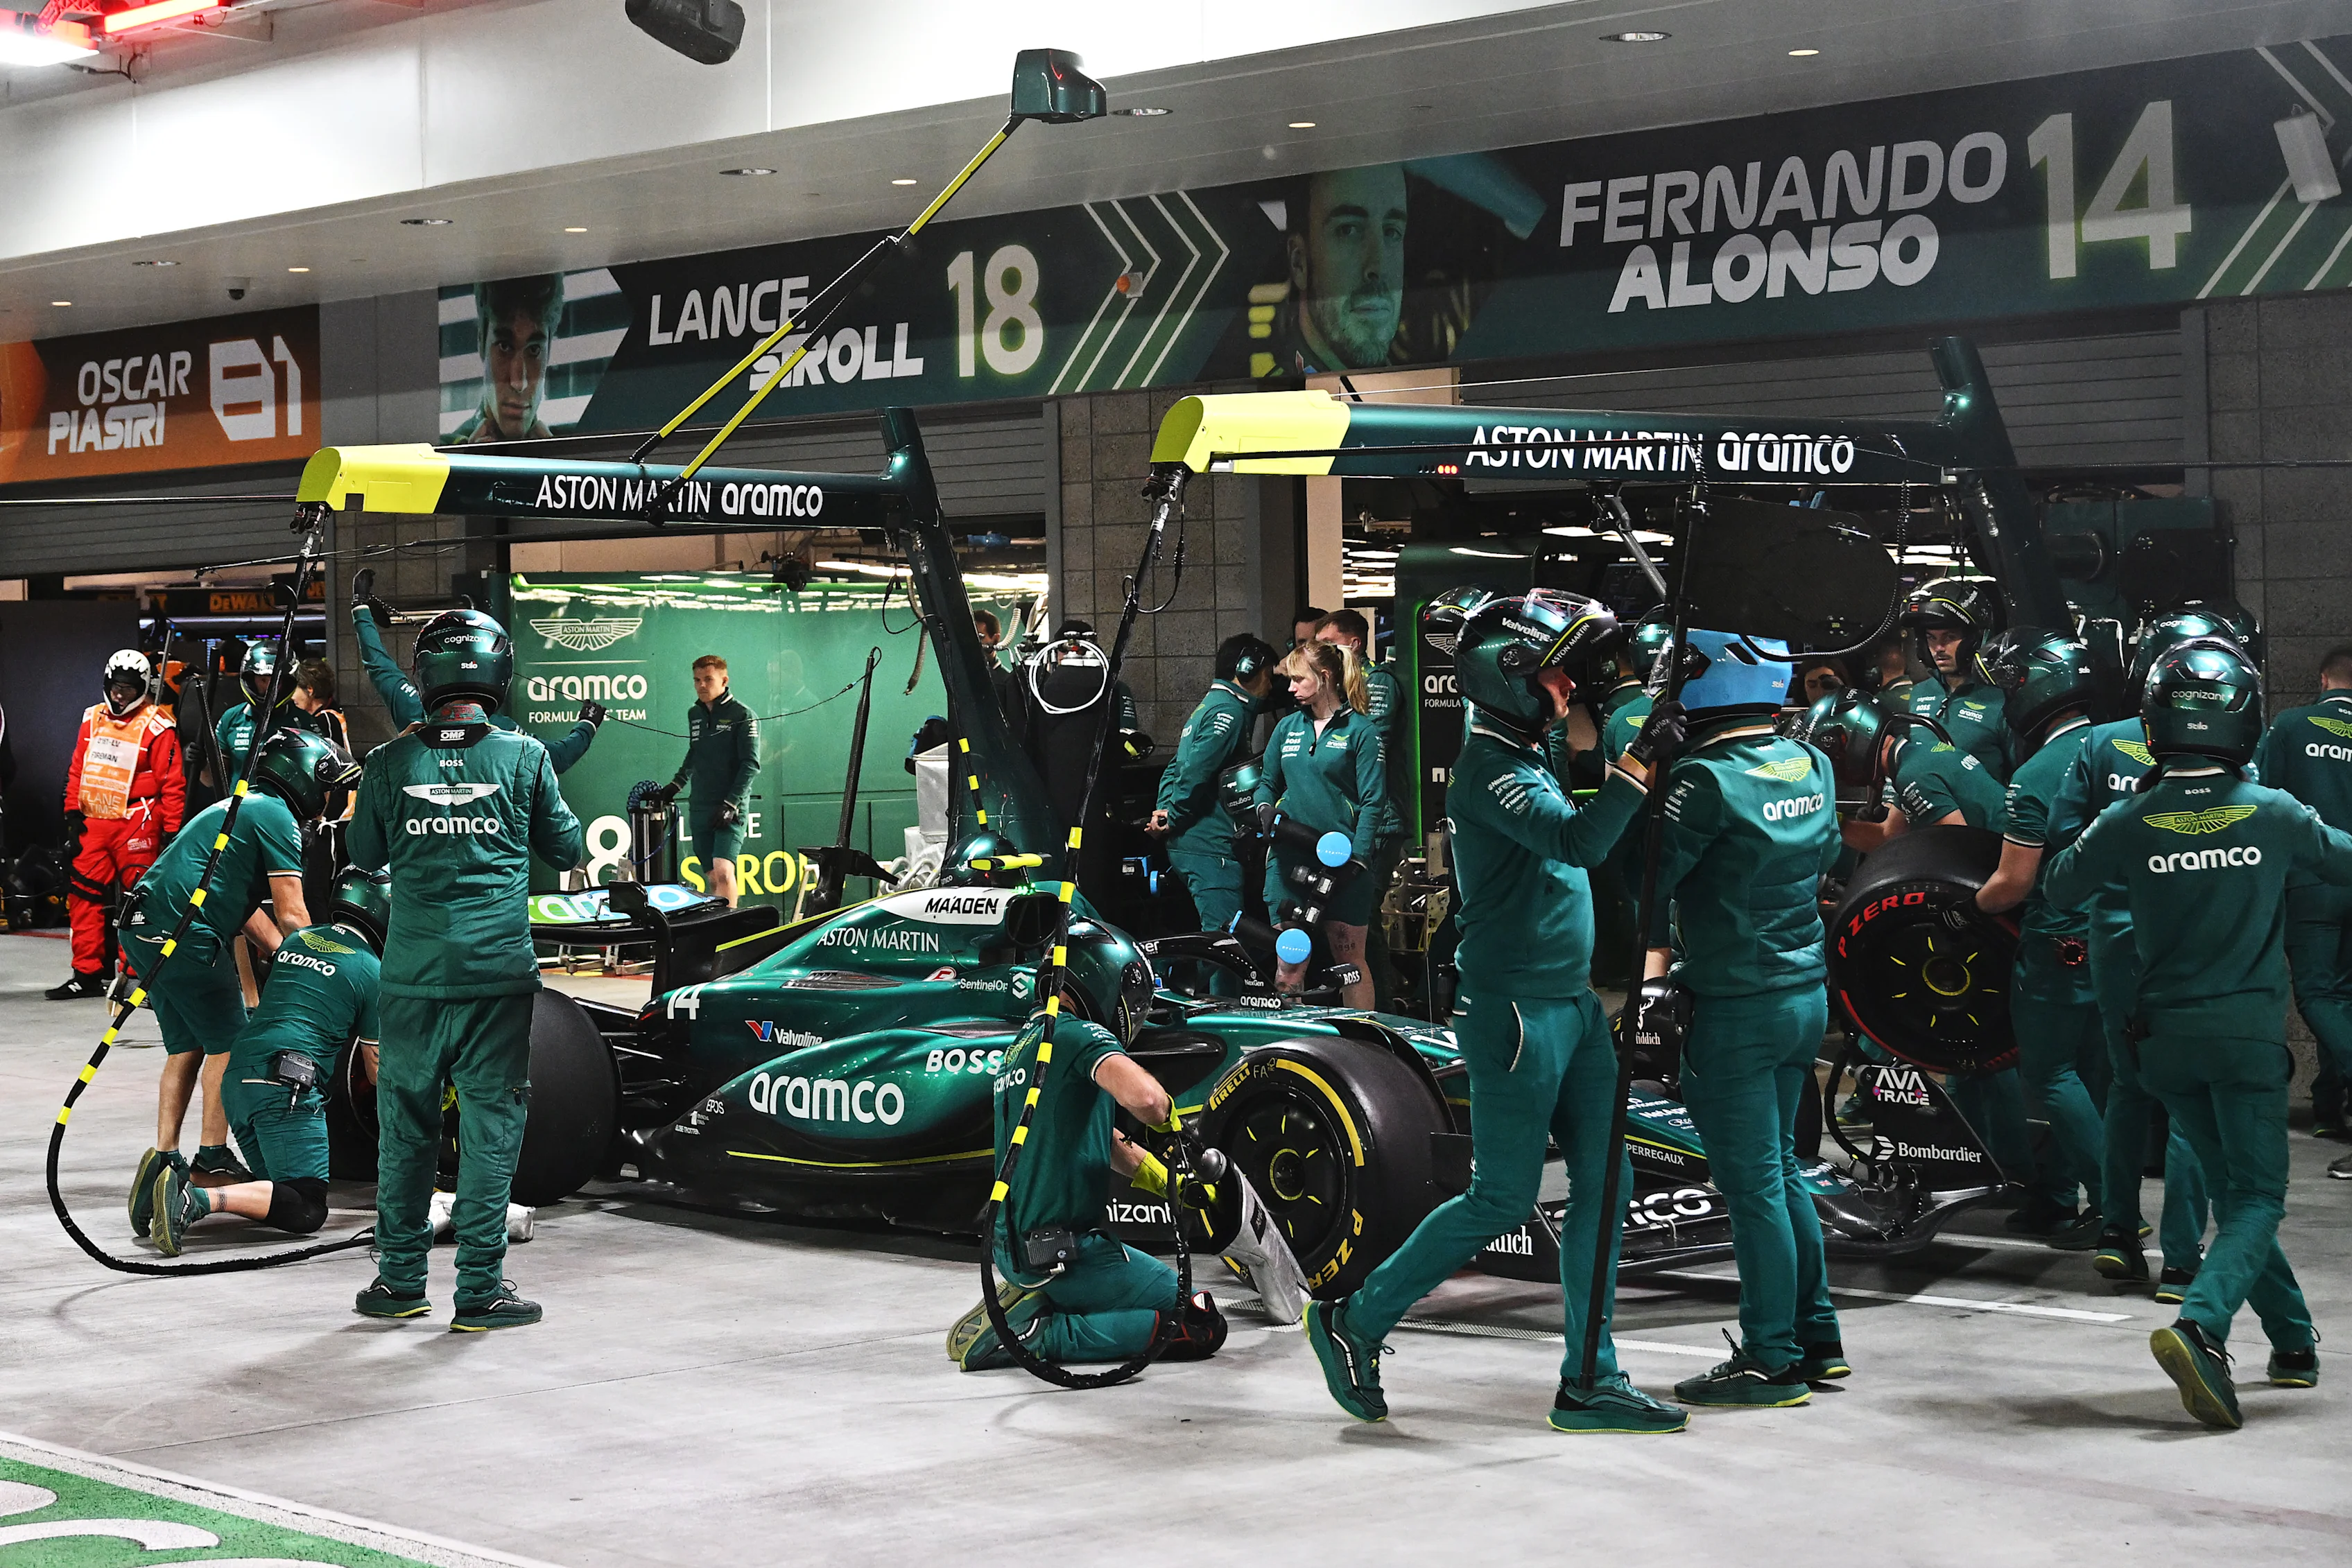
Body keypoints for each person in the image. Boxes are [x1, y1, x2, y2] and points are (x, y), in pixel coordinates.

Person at [1304, 589, 1686, 1433]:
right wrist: (1634, 767)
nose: (1567, 688)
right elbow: (1578, 841)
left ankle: (1589, 1378)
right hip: (1514, 1013)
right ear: (1506, 678)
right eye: (1554, 675)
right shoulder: (1489, 770)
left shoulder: (1528, 751)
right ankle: (1354, 1318)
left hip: (1570, 1004)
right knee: (1502, 1198)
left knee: (1608, 1184)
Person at [2046, 636, 2338, 1429]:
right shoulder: (2273, 813)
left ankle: (2292, 1343)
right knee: (2257, 1199)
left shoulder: (2128, 818)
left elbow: (2059, 884)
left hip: (2161, 1044)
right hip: (2242, 1041)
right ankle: (2201, 1327)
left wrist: (2124, 824)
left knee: (2234, 1195)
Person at [349, 609, 585, 1330]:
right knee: (489, 1130)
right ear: (498, 672)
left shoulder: (387, 762)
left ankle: (399, 1283)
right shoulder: (525, 757)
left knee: (406, 1130)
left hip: (411, 978)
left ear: (426, 676)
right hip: (495, 976)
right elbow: (568, 849)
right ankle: (479, 1291)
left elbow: (363, 852)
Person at [1637, 631, 1845, 1406]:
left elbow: (1641, 878)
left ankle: (1769, 1358)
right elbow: (1827, 853)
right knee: (1781, 1172)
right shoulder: (1811, 761)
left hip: (1735, 1002)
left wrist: (1643, 777)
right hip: (1803, 993)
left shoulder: (1701, 778)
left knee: (1753, 1186)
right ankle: (1816, 1337)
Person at [2048, 606, 2240, 1298]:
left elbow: (2064, 839)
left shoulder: (2097, 744)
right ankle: (2181, 1261)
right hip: (2193, 943)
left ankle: (2116, 1232)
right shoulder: (2231, 754)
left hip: (2114, 941)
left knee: (2127, 1090)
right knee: (2191, 1102)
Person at [119, 729, 352, 1239]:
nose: (328, 798)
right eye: (327, 785)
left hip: (143, 926)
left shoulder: (239, 808)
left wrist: (285, 954)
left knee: (187, 1048)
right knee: (232, 1043)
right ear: (306, 778)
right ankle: (210, 1160)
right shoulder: (276, 816)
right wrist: (331, 961)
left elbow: (243, 908)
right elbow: (292, 914)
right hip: (185, 932)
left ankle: (164, 1160)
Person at [946, 999, 1229, 1371]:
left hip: (1020, 1249)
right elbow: (1147, 1099)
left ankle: (1037, 1296)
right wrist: (1170, 1120)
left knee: (1152, 1308)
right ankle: (1040, 1333)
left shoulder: (1024, 1048)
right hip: (1063, 1255)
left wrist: (1168, 1183)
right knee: (1202, 1322)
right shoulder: (1075, 1035)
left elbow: (1104, 1141)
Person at [1950, 630, 2109, 1248]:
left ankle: (2114, 1206)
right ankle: (2058, 1194)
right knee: (2092, 1076)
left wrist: (1966, 910)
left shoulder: (2037, 772)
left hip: (2060, 941)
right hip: (2120, 935)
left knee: (2051, 1075)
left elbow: (2012, 883)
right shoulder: (2123, 746)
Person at [147, 868, 388, 1255]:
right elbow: (377, 1073)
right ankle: (195, 1199)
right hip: (286, 1085)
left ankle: (167, 1190)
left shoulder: (298, 940)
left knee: (277, 1194)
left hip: (240, 1075)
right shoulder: (371, 970)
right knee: (308, 1206)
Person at [2254, 641, 2352, 1181]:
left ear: (2322, 679)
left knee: (2317, 993)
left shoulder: (2291, 726)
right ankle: (2329, 1104)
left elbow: (2264, 800)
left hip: (2313, 879)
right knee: (2344, 995)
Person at [1254, 641, 1385, 1009]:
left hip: (1343, 864)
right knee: (1290, 962)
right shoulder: (1286, 728)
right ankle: (1292, 1040)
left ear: (1324, 677)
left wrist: (1358, 858)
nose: (1291, 687)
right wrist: (1264, 808)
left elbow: (1374, 801)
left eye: (1299, 679)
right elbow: (1267, 783)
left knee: (1350, 963)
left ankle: (1361, 1039)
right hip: (1288, 861)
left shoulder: (1361, 731)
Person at [49, 650, 184, 1000]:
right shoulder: (91, 719)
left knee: (139, 902)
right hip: (94, 821)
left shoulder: (159, 725)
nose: (121, 695)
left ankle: (135, 975)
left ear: (142, 688)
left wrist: (171, 829)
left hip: (138, 821)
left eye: (128, 688)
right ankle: (87, 973)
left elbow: (172, 783)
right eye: (116, 687)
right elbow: (78, 768)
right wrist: (72, 814)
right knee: (82, 895)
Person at [350, 591, 601, 774]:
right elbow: (558, 758)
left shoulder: (410, 713)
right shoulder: (506, 732)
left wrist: (361, 607)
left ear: (424, 668)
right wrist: (587, 724)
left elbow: (379, 666)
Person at [1147, 635, 1276, 955]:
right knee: (1226, 945)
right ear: (1246, 670)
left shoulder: (1210, 705)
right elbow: (1194, 771)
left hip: (1194, 843)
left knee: (1217, 940)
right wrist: (1174, 815)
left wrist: (1165, 811)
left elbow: (1176, 767)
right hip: (1209, 845)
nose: (1271, 685)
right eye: (1268, 675)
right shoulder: (1229, 712)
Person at [1316, 611, 1410, 1007]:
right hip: (1349, 821)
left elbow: (1375, 740)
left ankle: (1385, 1009)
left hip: (1381, 820)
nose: (1320, 652)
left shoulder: (1378, 682)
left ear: (1354, 643)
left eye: (1329, 643)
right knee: (1348, 921)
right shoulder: (1330, 695)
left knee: (1363, 919)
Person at [1276, 166, 1408, 374]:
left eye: (1392, 232)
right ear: (1299, 262)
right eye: (1348, 231)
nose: (1377, 267)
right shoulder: (1260, 396)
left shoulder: (1428, 390)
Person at [652, 654, 759, 909]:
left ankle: (730, 928)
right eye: (697, 680)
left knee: (723, 871)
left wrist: (731, 804)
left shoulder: (743, 715)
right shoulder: (695, 714)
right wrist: (677, 784)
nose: (702, 685)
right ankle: (719, 925)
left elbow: (751, 765)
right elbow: (695, 751)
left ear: (724, 681)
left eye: (708, 679)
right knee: (712, 876)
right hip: (700, 805)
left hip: (728, 808)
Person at [1897, 575, 2009, 781]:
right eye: (1931, 638)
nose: (1939, 648)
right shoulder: (1920, 692)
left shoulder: (2001, 700)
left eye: (1950, 637)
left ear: (1974, 640)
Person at [445, 274, 564, 444]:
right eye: (504, 347)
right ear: (481, 342)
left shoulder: (575, 450)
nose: (519, 383)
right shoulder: (441, 451)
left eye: (534, 350)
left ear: (549, 350)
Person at [213, 641, 340, 783]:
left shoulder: (303, 721)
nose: (269, 687)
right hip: (240, 798)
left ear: (286, 682)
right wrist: (202, 762)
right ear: (251, 679)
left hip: (285, 798)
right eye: (263, 680)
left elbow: (322, 777)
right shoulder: (231, 718)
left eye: (276, 681)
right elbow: (211, 780)